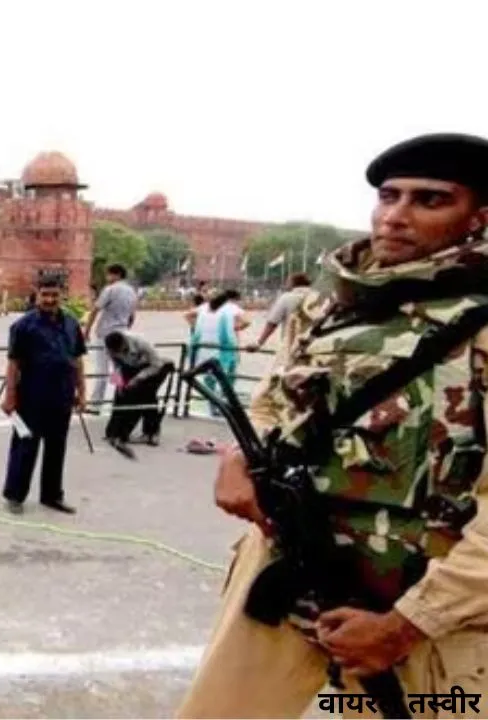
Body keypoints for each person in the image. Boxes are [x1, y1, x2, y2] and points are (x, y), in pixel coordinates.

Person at [176, 132, 488, 717]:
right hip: (292, 576)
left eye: (430, 200)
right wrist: (238, 459)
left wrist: (408, 623)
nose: (395, 217)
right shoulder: (331, 305)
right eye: (388, 196)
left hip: (424, 610)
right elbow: (274, 403)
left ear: (480, 216)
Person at [0, 274, 87, 515]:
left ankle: (52, 495)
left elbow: (77, 360)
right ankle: (15, 495)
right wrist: (10, 397)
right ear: (37, 295)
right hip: (31, 395)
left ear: (62, 296)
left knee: (57, 447)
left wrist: (82, 391)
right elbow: (13, 364)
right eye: (45, 295)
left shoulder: (71, 324)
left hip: (62, 394)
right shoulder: (23, 326)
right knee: (25, 446)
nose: (49, 299)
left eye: (54, 295)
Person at [101, 329, 173, 458]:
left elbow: (156, 365)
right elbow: (115, 367)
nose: (117, 354)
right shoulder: (109, 348)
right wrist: (119, 384)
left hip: (152, 367)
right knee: (120, 395)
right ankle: (114, 432)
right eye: (114, 352)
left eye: (119, 351)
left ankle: (151, 433)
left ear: (124, 344)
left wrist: (138, 378)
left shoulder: (141, 343)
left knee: (147, 396)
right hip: (129, 367)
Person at [83, 264, 138, 415]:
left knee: (102, 369)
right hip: (122, 332)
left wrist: (86, 331)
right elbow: (132, 316)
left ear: (116, 274)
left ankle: (95, 405)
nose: (107, 278)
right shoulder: (132, 291)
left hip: (106, 333)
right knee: (118, 369)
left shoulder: (110, 290)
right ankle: (118, 400)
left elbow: (95, 310)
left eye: (109, 275)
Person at [188, 289, 247, 417]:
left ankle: (213, 406)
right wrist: (236, 329)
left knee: (209, 379)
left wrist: (194, 328)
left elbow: (188, 315)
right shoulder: (230, 309)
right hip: (225, 350)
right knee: (228, 378)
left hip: (205, 349)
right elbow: (245, 323)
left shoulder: (204, 309)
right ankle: (225, 405)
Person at [245, 272, 313, 359]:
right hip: (316, 345)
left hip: (291, 344)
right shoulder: (317, 296)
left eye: (288, 281)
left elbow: (272, 323)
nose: (286, 284)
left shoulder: (287, 298)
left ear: (293, 283)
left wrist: (259, 343)